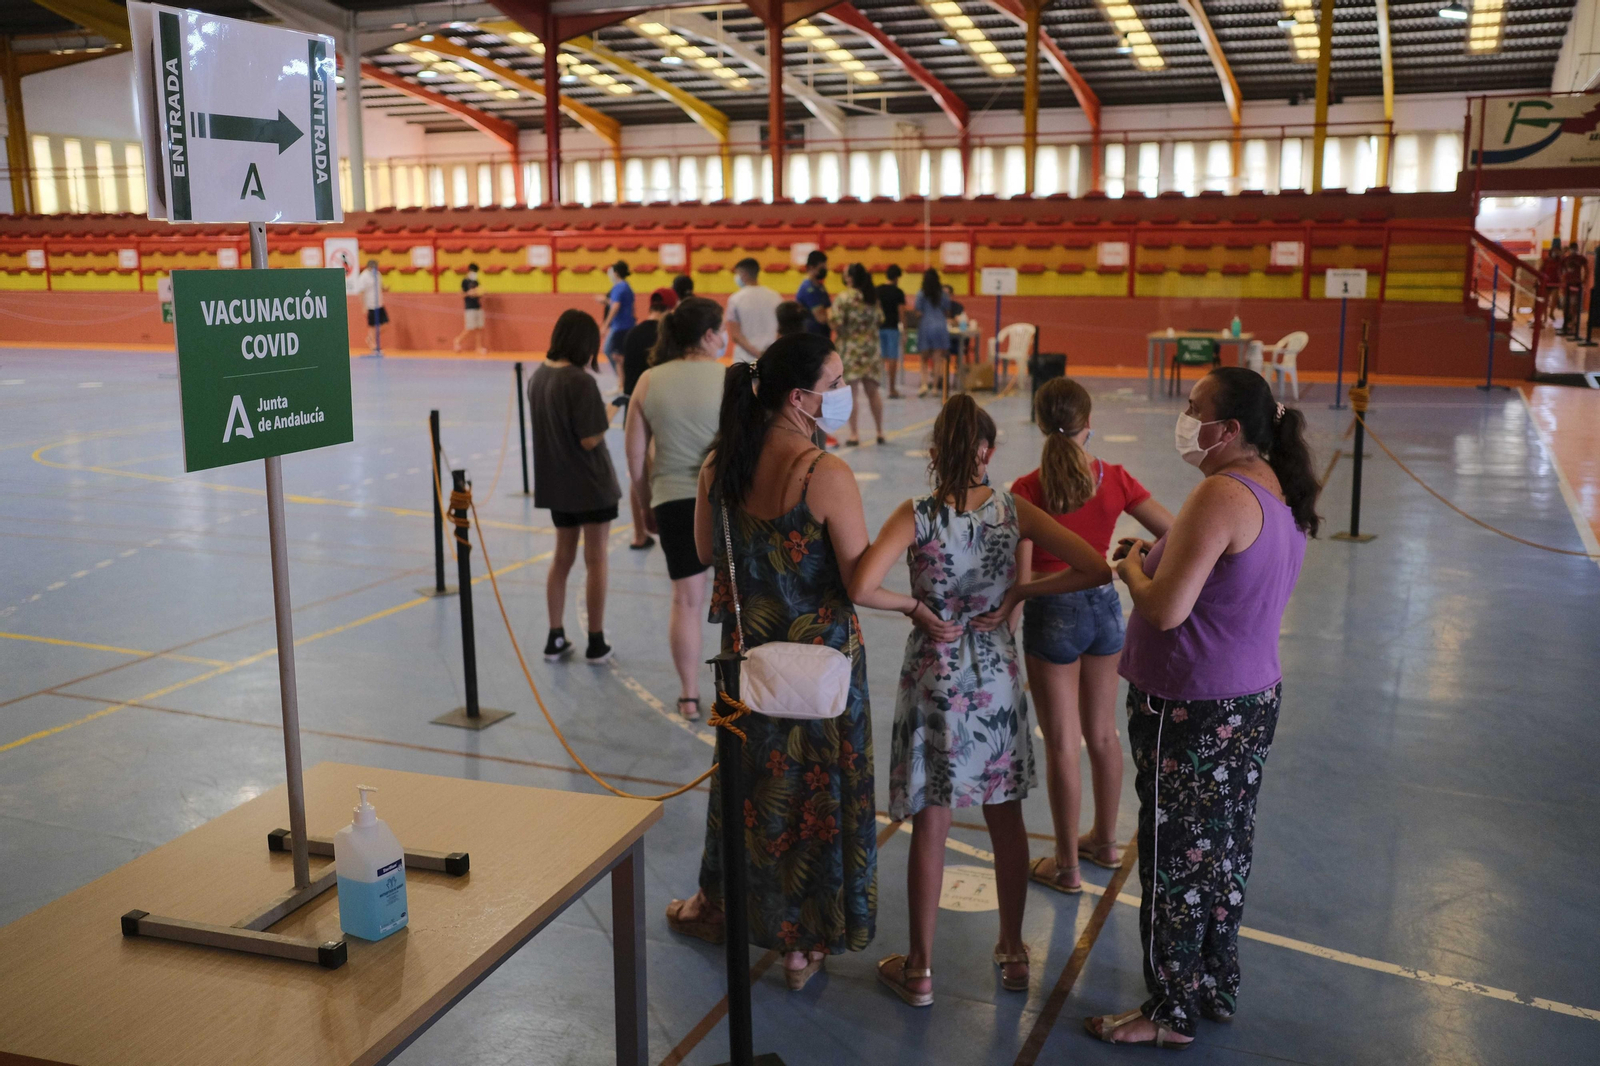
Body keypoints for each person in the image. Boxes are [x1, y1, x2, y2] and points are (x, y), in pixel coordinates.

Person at [850, 394, 1112, 1009]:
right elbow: (1096, 567)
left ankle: (919, 970)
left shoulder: (914, 514)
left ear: (935, 452)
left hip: (935, 675)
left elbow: (862, 585)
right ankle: (1015, 952)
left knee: (934, 822)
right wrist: (1021, 588)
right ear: (988, 451)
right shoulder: (1012, 508)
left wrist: (916, 606)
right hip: (995, 672)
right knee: (1006, 818)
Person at [1085, 367, 1317, 1050]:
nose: (1185, 417)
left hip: (1190, 706)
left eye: (1195, 408)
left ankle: (1168, 1010)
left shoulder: (1221, 493)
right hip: (1249, 697)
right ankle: (1214, 980)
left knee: (1174, 859)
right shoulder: (1278, 487)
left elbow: (1164, 608)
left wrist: (1130, 566)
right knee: (1222, 850)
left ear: (1232, 428)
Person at [665, 334, 876, 993]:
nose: (840, 393)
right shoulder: (825, 474)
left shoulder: (718, 465)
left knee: (743, 792)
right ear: (799, 397)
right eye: (833, 382)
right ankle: (802, 947)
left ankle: (717, 904)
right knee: (818, 796)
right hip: (820, 671)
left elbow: (703, 549)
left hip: (745, 665)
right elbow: (859, 576)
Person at [1009, 378, 1173, 895]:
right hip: (1105, 609)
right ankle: (1104, 841)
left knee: (1062, 743)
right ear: (1088, 421)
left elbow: (1022, 579)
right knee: (1102, 734)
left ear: (1039, 423)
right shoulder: (1116, 477)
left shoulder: (1028, 489)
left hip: (1050, 612)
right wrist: (1138, 553)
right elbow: (1172, 532)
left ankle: (1066, 867)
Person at [624, 297, 726, 720]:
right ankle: (738, 689)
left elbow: (633, 456)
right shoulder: (731, 378)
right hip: (724, 500)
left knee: (686, 601)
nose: (724, 338)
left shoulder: (648, 381)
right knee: (737, 598)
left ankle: (688, 695)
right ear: (707, 335)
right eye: (720, 330)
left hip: (672, 499)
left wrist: (646, 501)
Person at [526, 310, 620, 666]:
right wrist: (611, 412)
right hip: (590, 484)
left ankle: (555, 636)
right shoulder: (580, 381)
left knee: (562, 557)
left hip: (557, 484)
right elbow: (590, 438)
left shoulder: (538, 377)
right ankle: (596, 642)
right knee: (596, 559)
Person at [616, 286, 678, 552]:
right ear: (671, 309)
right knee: (669, 470)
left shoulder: (632, 333)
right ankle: (671, 529)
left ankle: (639, 533)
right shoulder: (668, 335)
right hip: (661, 411)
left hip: (632, 410)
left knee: (637, 471)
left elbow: (624, 371)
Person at [832, 263, 885, 446]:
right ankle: (879, 431)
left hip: (850, 349)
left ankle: (854, 434)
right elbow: (880, 320)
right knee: (873, 392)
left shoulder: (844, 298)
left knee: (851, 393)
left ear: (850, 278)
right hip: (871, 349)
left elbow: (836, 323)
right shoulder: (872, 297)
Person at [725, 258, 782, 363]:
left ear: (743, 274)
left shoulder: (735, 299)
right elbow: (781, 328)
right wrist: (766, 354)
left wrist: (758, 354)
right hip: (771, 356)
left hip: (744, 359)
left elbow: (735, 335)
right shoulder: (775, 297)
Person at [911, 269, 952, 398]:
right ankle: (935, 387)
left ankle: (924, 385)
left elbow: (918, 311)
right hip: (940, 325)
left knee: (923, 358)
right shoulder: (943, 294)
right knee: (938, 359)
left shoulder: (921, 293)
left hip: (926, 325)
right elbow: (947, 311)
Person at [599, 261, 635, 378]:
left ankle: (622, 381)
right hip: (627, 324)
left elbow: (615, 306)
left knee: (612, 352)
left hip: (620, 326)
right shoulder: (626, 286)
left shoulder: (618, 287)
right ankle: (622, 381)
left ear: (616, 273)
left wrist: (605, 325)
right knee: (617, 352)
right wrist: (606, 301)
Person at [876, 264, 908, 398]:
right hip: (892, 328)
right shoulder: (898, 292)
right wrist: (904, 331)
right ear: (896, 277)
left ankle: (877, 388)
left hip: (879, 327)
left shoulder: (877, 290)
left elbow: (875, 309)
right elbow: (901, 313)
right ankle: (892, 388)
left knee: (880, 357)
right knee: (893, 358)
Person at [796, 250, 832, 338]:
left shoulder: (820, 287)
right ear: (811, 268)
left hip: (822, 336)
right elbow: (821, 318)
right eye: (822, 268)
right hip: (812, 337)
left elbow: (828, 308)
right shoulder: (808, 289)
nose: (826, 270)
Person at [453, 262, 486, 354]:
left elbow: (479, 292)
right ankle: (457, 340)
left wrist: (479, 293)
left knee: (479, 327)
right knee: (470, 327)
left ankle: (478, 347)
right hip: (469, 307)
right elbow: (461, 294)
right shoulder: (465, 281)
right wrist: (469, 293)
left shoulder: (476, 281)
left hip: (477, 306)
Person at [359, 260, 387, 353]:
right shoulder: (364, 277)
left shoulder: (378, 274)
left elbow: (380, 286)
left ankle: (370, 338)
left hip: (379, 303)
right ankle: (373, 345)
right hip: (370, 305)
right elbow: (361, 292)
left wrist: (385, 288)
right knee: (372, 326)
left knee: (383, 325)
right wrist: (364, 306)